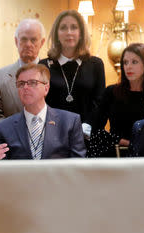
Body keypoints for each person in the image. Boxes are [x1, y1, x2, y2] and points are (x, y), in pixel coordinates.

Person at [0, 63, 86, 159]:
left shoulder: (70, 122)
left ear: (46, 88)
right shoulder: (3, 128)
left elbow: (77, 166)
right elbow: (3, 170)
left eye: (32, 82)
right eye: (21, 84)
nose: (25, 87)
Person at [39, 10, 105, 138]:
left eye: (74, 27)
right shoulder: (43, 65)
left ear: (81, 33)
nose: (69, 32)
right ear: (57, 34)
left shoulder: (96, 64)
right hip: (53, 136)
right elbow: (40, 104)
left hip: (87, 136)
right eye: (63, 28)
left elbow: (100, 103)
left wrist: (86, 127)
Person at [90, 43, 144, 157]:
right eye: (125, 62)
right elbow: (95, 130)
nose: (128, 67)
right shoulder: (111, 92)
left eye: (134, 62)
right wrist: (126, 143)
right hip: (115, 154)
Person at [0, 19, 46, 125]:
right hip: (12, 140)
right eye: (24, 39)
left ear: (42, 42)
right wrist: (15, 135)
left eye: (33, 40)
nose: (28, 44)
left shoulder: (52, 74)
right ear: (16, 41)